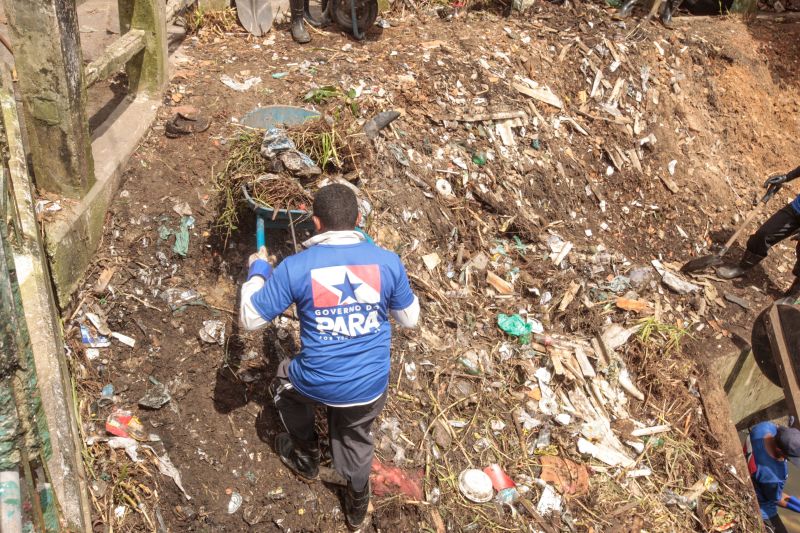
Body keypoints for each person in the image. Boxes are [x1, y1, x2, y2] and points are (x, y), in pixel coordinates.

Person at [239, 184, 420, 530]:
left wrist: (259, 271)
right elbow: (410, 319)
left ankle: (305, 455)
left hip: (318, 382)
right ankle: (356, 503)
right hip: (370, 386)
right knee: (354, 436)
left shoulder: (296, 267)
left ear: (316, 223)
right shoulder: (387, 261)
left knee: (282, 382)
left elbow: (250, 319)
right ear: (359, 220)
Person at [717, 166, 800, 297]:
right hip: (797, 208)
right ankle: (742, 267)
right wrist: (787, 177)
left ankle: (793, 295)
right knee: (764, 234)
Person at [744, 421, 800, 533]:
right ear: (779, 450)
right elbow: (778, 499)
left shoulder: (763, 427)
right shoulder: (775, 475)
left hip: (749, 469)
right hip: (761, 507)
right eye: (789, 457)